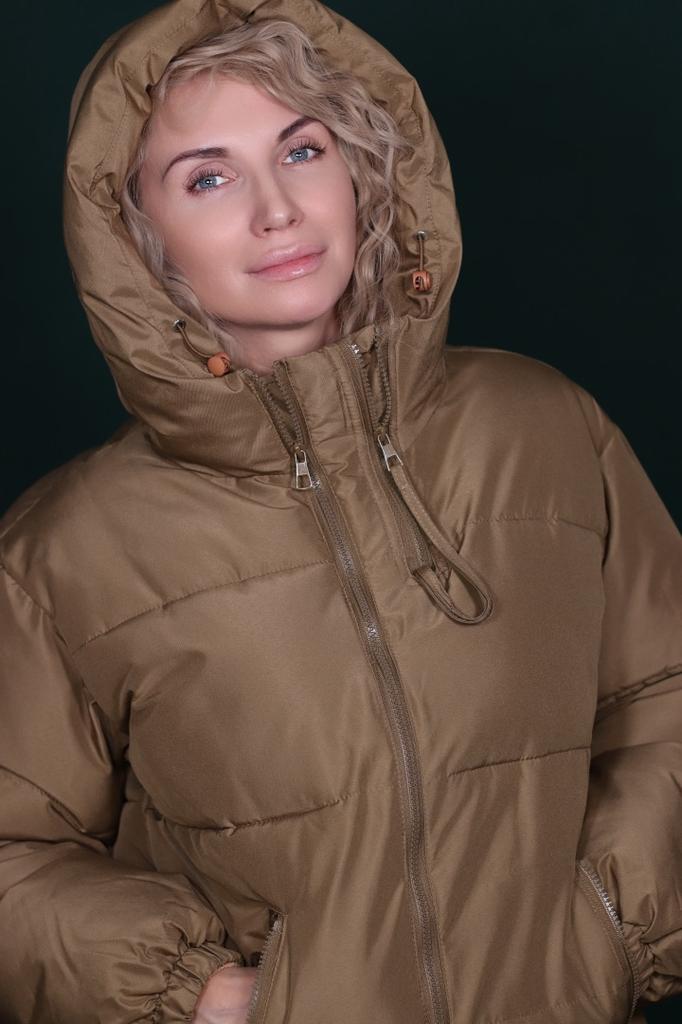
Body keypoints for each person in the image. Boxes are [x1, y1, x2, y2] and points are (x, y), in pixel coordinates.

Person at [0, 0, 679, 1022]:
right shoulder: (65, 546)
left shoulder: (544, 428)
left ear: (365, 167)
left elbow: (665, 702)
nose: (277, 210)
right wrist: (202, 996)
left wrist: (610, 932)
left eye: (302, 149)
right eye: (209, 177)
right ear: (134, 233)